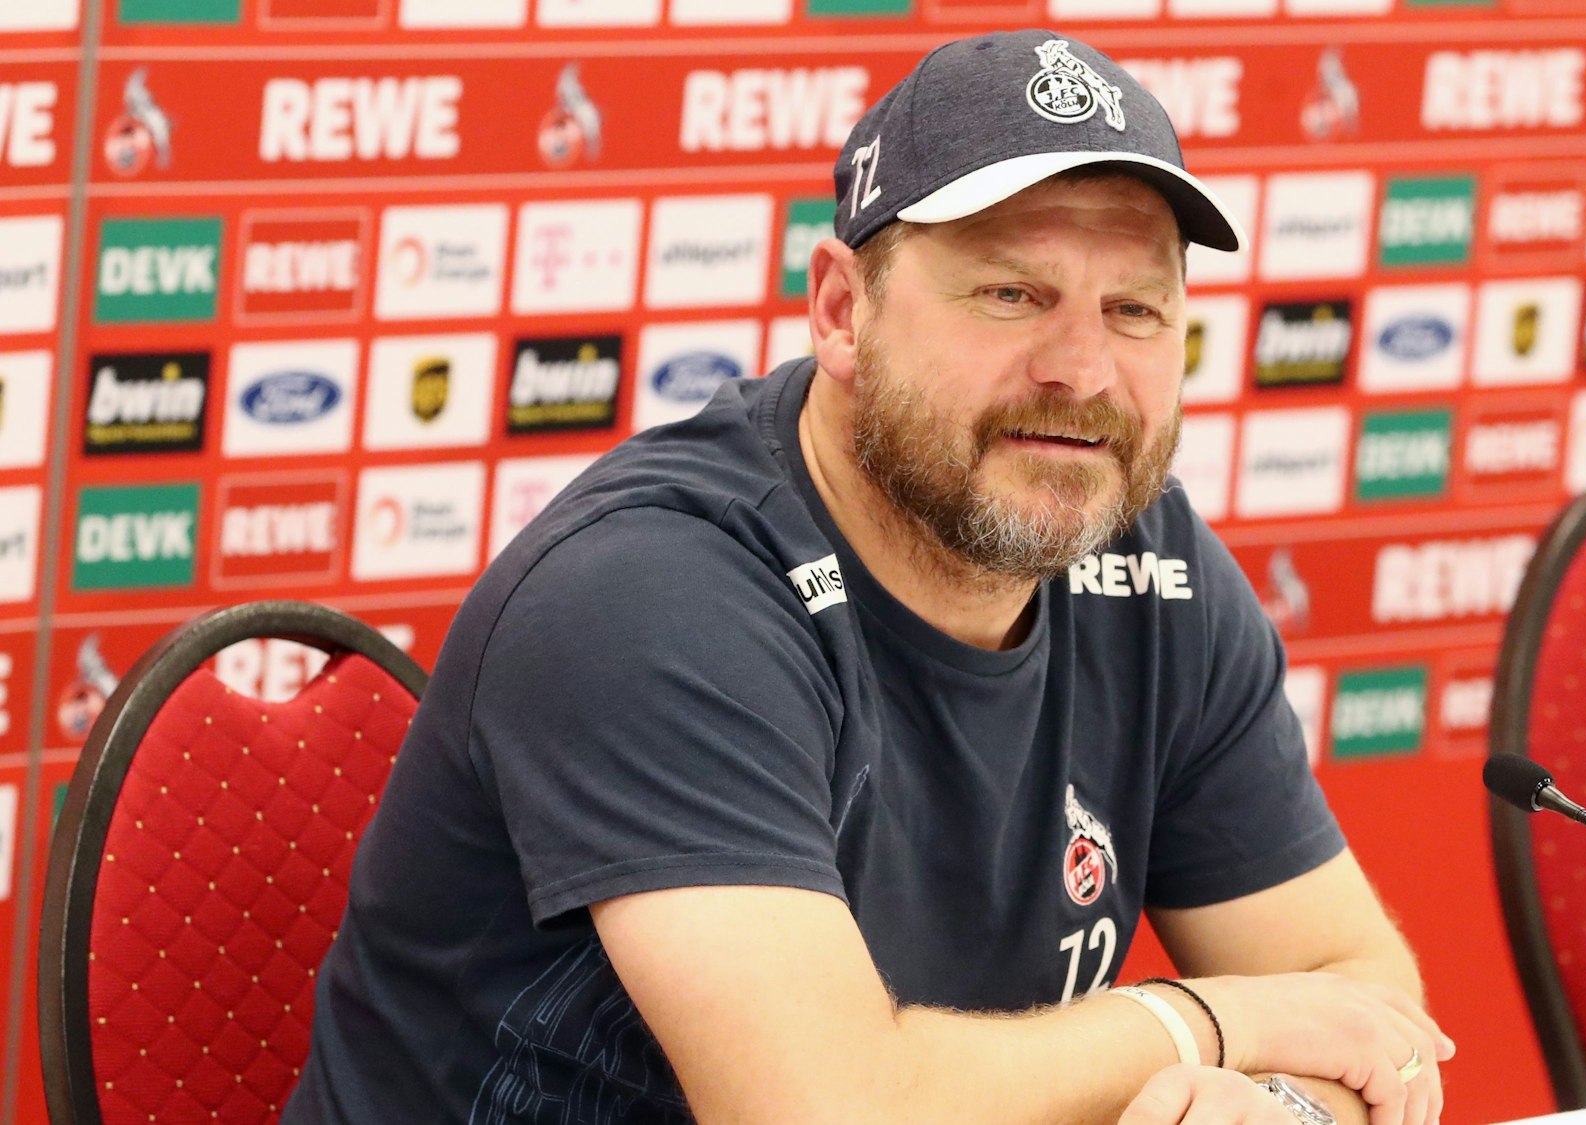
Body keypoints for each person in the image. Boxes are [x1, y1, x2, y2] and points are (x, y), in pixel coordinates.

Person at [285, 30, 1454, 1125]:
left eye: (1135, 309)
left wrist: (1284, 1104)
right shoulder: (650, 593)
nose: (1082, 369)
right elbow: (827, 1107)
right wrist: (1203, 1026)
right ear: (844, 312)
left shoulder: (1147, 566)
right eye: (1011, 294)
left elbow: (1367, 1004)